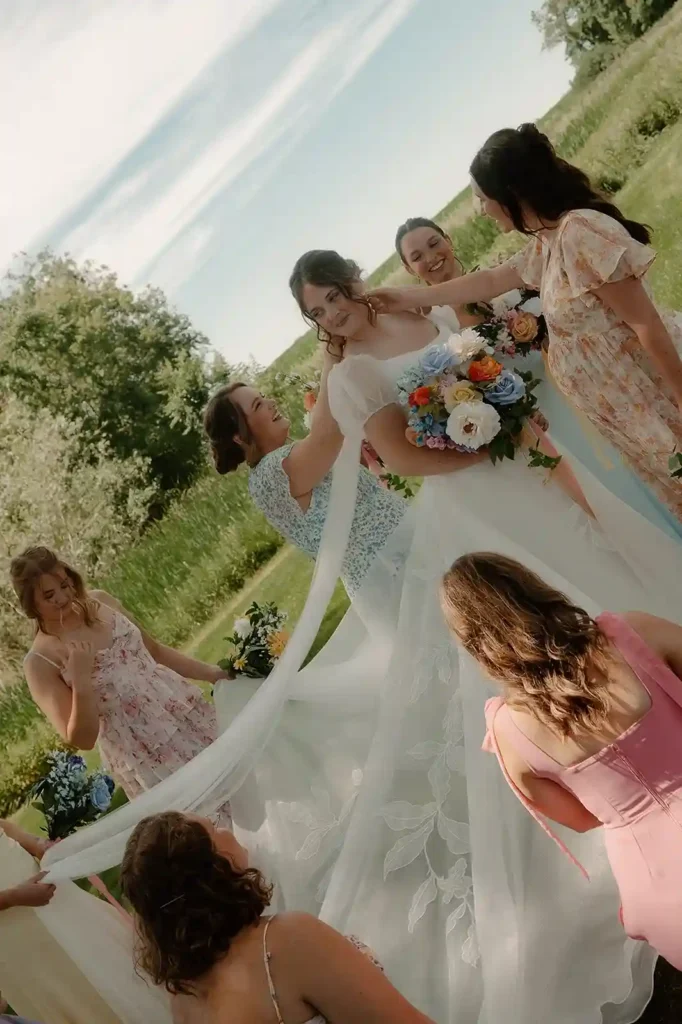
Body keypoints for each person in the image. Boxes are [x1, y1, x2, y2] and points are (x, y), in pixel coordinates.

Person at [41, 249, 682, 1023]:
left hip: (423, 538)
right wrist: (351, 374)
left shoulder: (326, 416)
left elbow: (366, 426)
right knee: (463, 691)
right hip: (394, 576)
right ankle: (549, 788)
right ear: (244, 435)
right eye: (256, 406)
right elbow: (348, 425)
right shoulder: (274, 474)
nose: (272, 405)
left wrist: (384, 370)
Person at [371, 124, 682, 526]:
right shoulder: (548, 244)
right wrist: (406, 297)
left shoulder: (579, 233)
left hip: (653, 394)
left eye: (483, 199)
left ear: (510, 195)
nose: (481, 209)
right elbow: (490, 280)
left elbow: (646, 325)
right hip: (625, 409)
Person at [441, 551, 682, 970]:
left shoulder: (509, 734)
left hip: (662, 893)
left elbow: (581, 818)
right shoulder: (633, 635)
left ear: (475, 643)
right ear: (533, 588)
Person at [395, 215, 682, 540]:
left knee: (642, 466)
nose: (431, 258)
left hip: (586, 392)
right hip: (541, 424)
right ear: (408, 269)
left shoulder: (501, 280)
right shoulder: (434, 331)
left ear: (448, 239)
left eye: (434, 244)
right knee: (603, 494)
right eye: (417, 257)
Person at [121, 810, 435, 1024]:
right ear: (210, 869)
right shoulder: (284, 945)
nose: (226, 829)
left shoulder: (185, 1002)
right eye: (214, 828)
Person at [12, 546, 231, 817]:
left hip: (182, 712)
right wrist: (81, 679)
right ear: (31, 605)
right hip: (144, 751)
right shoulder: (40, 662)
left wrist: (214, 673)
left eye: (64, 585)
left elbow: (156, 652)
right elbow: (83, 738)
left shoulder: (101, 601)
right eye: (48, 595)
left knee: (241, 785)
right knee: (209, 819)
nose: (62, 597)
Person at [0, 817, 170, 1023]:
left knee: (107, 957)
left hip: (48, 894)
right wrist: (15, 896)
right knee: (73, 988)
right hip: (15, 935)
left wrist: (37, 844)